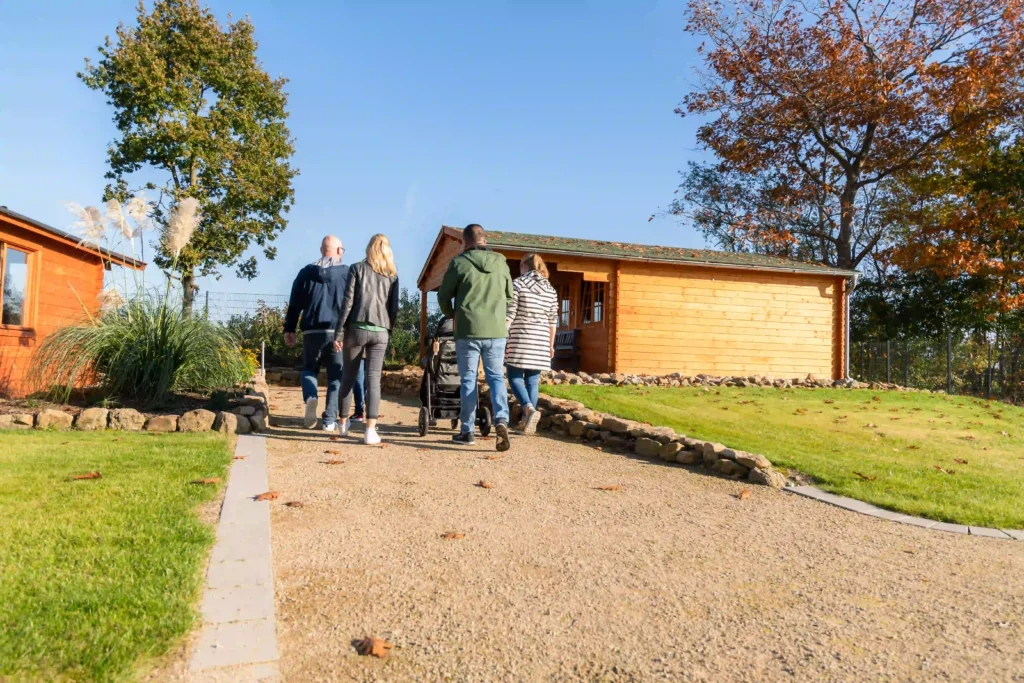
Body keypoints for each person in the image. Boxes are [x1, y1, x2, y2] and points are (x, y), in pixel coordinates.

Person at [438, 224, 513, 451]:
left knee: (468, 379)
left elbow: (443, 295)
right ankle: (501, 419)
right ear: (484, 239)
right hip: (496, 330)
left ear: (465, 242)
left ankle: (467, 430)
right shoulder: (501, 263)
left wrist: (452, 314)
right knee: (496, 378)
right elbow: (509, 296)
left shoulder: (459, 263)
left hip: (468, 330)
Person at [284, 235, 359, 430]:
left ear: (321, 250)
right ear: (338, 251)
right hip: (337, 332)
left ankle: (311, 397)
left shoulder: (305, 273)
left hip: (311, 331)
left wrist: (289, 328)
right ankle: (329, 421)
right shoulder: (348, 273)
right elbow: (354, 304)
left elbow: (294, 303)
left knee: (309, 369)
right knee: (336, 377)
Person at [333, 234, 399, 445]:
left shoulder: (356, 268)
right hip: (381, 330)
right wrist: (389, 330)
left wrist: (339, 332)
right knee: (373, 380)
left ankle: (343, 425)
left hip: (356, 328)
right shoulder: (392, 275)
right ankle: (370, 430)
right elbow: (394, 308)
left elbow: (347, 303)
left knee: (348, 377)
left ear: (369, 248)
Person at [505, 254, 558, 434]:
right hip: (541, 341)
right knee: (532, 381)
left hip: (521, 338)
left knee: (514, 377)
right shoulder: (550, 290)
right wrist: (551, 345)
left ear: (523, 267)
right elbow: (553, 321)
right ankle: (526, 422)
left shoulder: (517, 284)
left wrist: (502, 334)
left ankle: (528, 408)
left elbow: (510, 314)